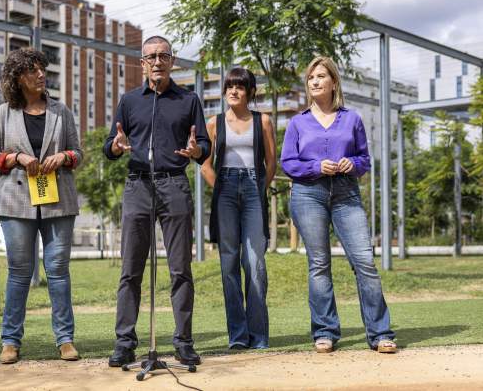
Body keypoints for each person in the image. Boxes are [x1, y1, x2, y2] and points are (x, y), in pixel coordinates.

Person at [103, 35, 211, 367]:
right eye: (151, 56)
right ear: (142, 63)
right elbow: (109, 147)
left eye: (163, 55)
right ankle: (125, 342)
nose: (157, 61)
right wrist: (116, 147)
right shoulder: (130, 100)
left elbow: (205, 145)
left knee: (181, 268)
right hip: (138, 186)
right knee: (130, 269)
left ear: (172, 60)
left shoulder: (189, 100)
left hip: (174, 185)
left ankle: (183, 341)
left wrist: (197, 152)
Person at [281, 56, 397, 353]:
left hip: (347, 194)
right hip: (309, 194)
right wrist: (317, 167)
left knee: (365, 262)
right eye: (311, 78)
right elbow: (288, 163)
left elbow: (364, 161)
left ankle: (381, 332)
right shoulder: (298, 122)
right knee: (319, 264)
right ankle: (325, 331)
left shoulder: (352, 119)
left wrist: (352, 163)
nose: (315, 81)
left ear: (333, 82)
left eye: (321, 76)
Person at [0, 47, 83, 364]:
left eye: (43, 69)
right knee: (19, 273)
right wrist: (16, 158)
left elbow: (77, 153)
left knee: (58, 271)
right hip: (15, 203)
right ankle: (10, 341)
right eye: (33, 70)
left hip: (58, 202)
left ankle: (65, 339)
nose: (41, 75)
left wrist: (64, 157)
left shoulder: (61, 111)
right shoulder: (2, 114)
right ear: (17, 78)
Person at [201, 67, 276, 349]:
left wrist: (260, 189)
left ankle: (258, 336)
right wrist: (220, 187)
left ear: (250, 92)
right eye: (229, 86)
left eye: (240, 87)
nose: (233, 91)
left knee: (254, 262)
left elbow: (271, 163)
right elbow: (204, 165)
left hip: (254, 188)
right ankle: (238, 336)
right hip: (226, 190)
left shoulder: (264, 121)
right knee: (229, 262)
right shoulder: (214, 122)